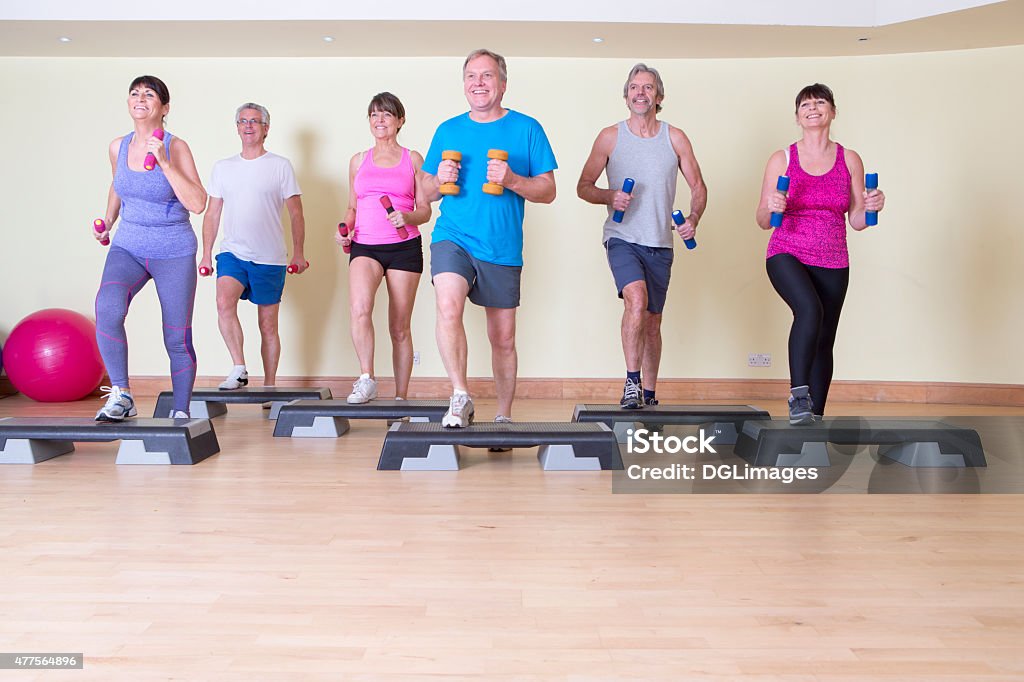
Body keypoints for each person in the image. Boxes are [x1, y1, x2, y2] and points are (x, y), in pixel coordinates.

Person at [421, 48, 557, 428]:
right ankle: (460, 395)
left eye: (487, 76)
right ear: (464, 84)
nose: (478, 83)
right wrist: (437, 178)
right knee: (448, 305)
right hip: (454, 236)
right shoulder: (447, 130)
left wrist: (512, 180)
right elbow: (426, 193)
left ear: (503, 84)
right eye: (471, 76)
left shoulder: (527, 128)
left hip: (501, 245)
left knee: (503, 338)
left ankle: (503, 415)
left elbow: (548, 190)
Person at [577, 63, 707, 410]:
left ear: (658, 96)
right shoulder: (610, 137)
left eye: (647, 87)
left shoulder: (675, 137)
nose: (640, 93)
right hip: (621, 236)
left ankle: (649, 394)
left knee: (652, 321)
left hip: (660, 242)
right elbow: (583, 186)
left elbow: (698, 187)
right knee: (635, 299)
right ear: (626, 95)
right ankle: (631, 382)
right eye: (634, 87)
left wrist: (693, 216)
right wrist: (609, 196)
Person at [755, 83, 885, 425]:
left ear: (832, 111)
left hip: (833, 259)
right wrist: (772, 206)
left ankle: (815, 418)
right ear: (797, 116)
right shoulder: (782, 159)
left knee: (824, 338)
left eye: (820, 102)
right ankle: (799, 397)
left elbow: (856, 220)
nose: (813, 108)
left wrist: (872, 206)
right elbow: (762, 220)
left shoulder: (849, 159)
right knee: (809, 310)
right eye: (805, 104)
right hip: (787, 251)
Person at [93, 75, 207, 421]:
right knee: (107, 309)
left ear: (164, 107)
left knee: (176, 336)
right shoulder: (118, 146)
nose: (140, 98)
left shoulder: (176, 147)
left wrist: (165, 163)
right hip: (128, 245)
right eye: (135, 93)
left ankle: (181, 411)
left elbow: (198, 203)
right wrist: (109, 221)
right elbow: (118, 184)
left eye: (149, 94)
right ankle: (122, 394)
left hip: (173, 250)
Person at [199, 103, 306, 391]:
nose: (248, 125)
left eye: (255, 121)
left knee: (268, 326)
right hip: (232, 253)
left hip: (270, 257)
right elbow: (212, 213)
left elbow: (296, 213)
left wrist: (298, 252)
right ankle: (239, 367)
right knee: (224, 302)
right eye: (243, 121)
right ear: (236, 127)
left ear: (266, 128)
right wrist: (206, 253)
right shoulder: (223, 167)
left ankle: (269, 386)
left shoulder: (280, 166)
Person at [333, 92, 431, 403]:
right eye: (374, 115)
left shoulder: (412, 159)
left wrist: (407, 216)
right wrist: (345, 230)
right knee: (359, 310)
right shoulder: (357, 161)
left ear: (400, 120)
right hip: (365, 246)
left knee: (399, 326)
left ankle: (401, 397)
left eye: (386, 115)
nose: (379, 120)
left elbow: (425, 210)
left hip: (404, 247)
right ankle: (366, 379)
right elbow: (352, 207)